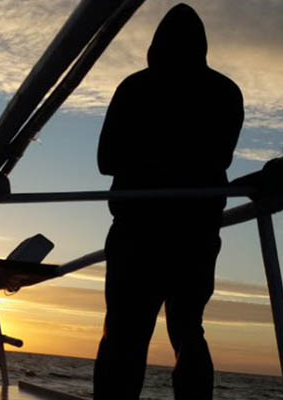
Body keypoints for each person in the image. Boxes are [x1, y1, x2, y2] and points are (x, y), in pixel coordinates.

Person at [93, 4, 243, 400]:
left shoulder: (135, 87)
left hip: (137, 231)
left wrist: (145, 160)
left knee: (124, 332)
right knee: (188, 329)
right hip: (196, 233)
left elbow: (105, 161)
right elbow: (222, 159)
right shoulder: (226, 93)